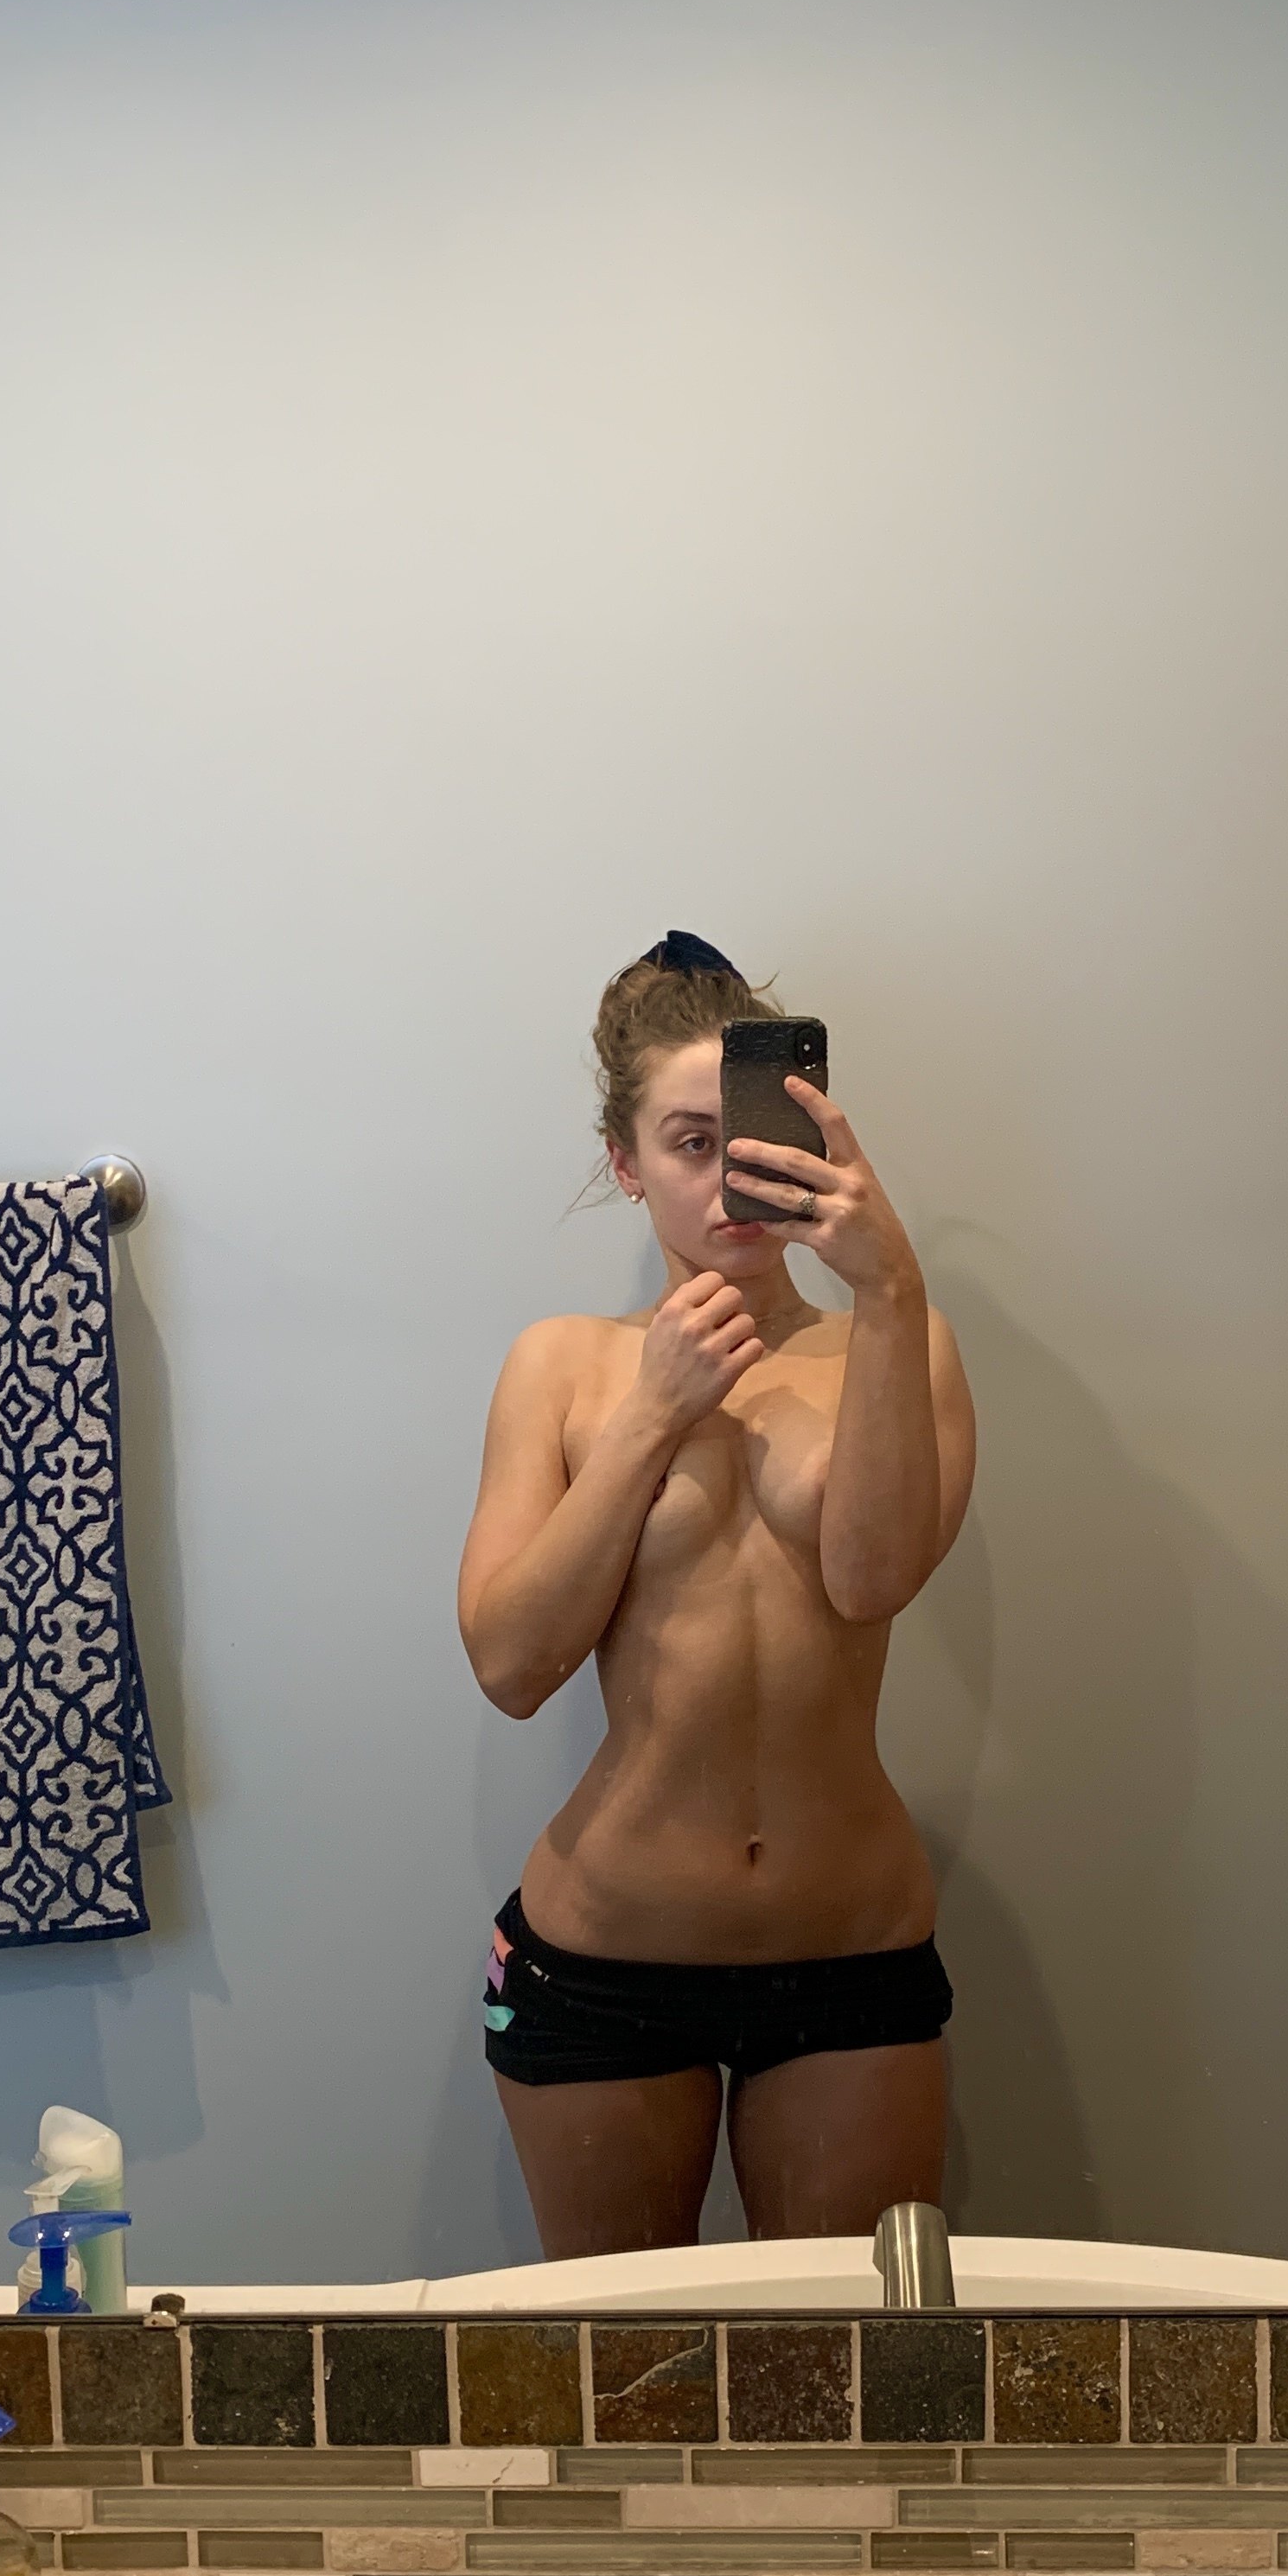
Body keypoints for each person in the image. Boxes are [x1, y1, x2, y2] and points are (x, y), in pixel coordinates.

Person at [457, 932, 977, 2257]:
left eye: (752, 1141)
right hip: (605, 1956)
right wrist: (653, 1416)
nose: (728, 1178)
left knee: (847, 2360)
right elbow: (511, 1666)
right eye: (690, 1144)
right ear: (626, 1163)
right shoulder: (564, 1366)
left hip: (850, 1952)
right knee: (626, 2366)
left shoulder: (895, 1341)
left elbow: (870, 1579)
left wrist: (891, 1282)